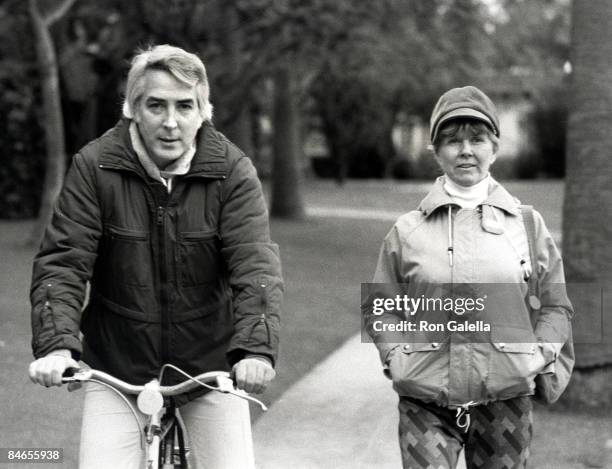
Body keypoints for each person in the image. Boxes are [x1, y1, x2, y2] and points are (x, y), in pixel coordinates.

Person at [28, 44, 282, 468]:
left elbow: (254, 263)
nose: (170, 122)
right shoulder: (95, 167)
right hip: (117, 363)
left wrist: (255, 351)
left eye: (185, 106)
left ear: (204, 111)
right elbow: (64, 261)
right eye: (156, 105)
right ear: (132, 109)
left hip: (208, 366)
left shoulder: (232, 171)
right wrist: (57, 347)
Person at [363, 86, 572, 468]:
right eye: (452, 141)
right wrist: (395, 356)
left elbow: (557, 305)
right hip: (425, 405)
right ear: (436, 150)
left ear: (494, 146)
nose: (465, 151)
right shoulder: (407, 231)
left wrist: (537, 356)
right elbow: (381, 307)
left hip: (505, 404)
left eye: (477, 139)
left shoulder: (527, 225)